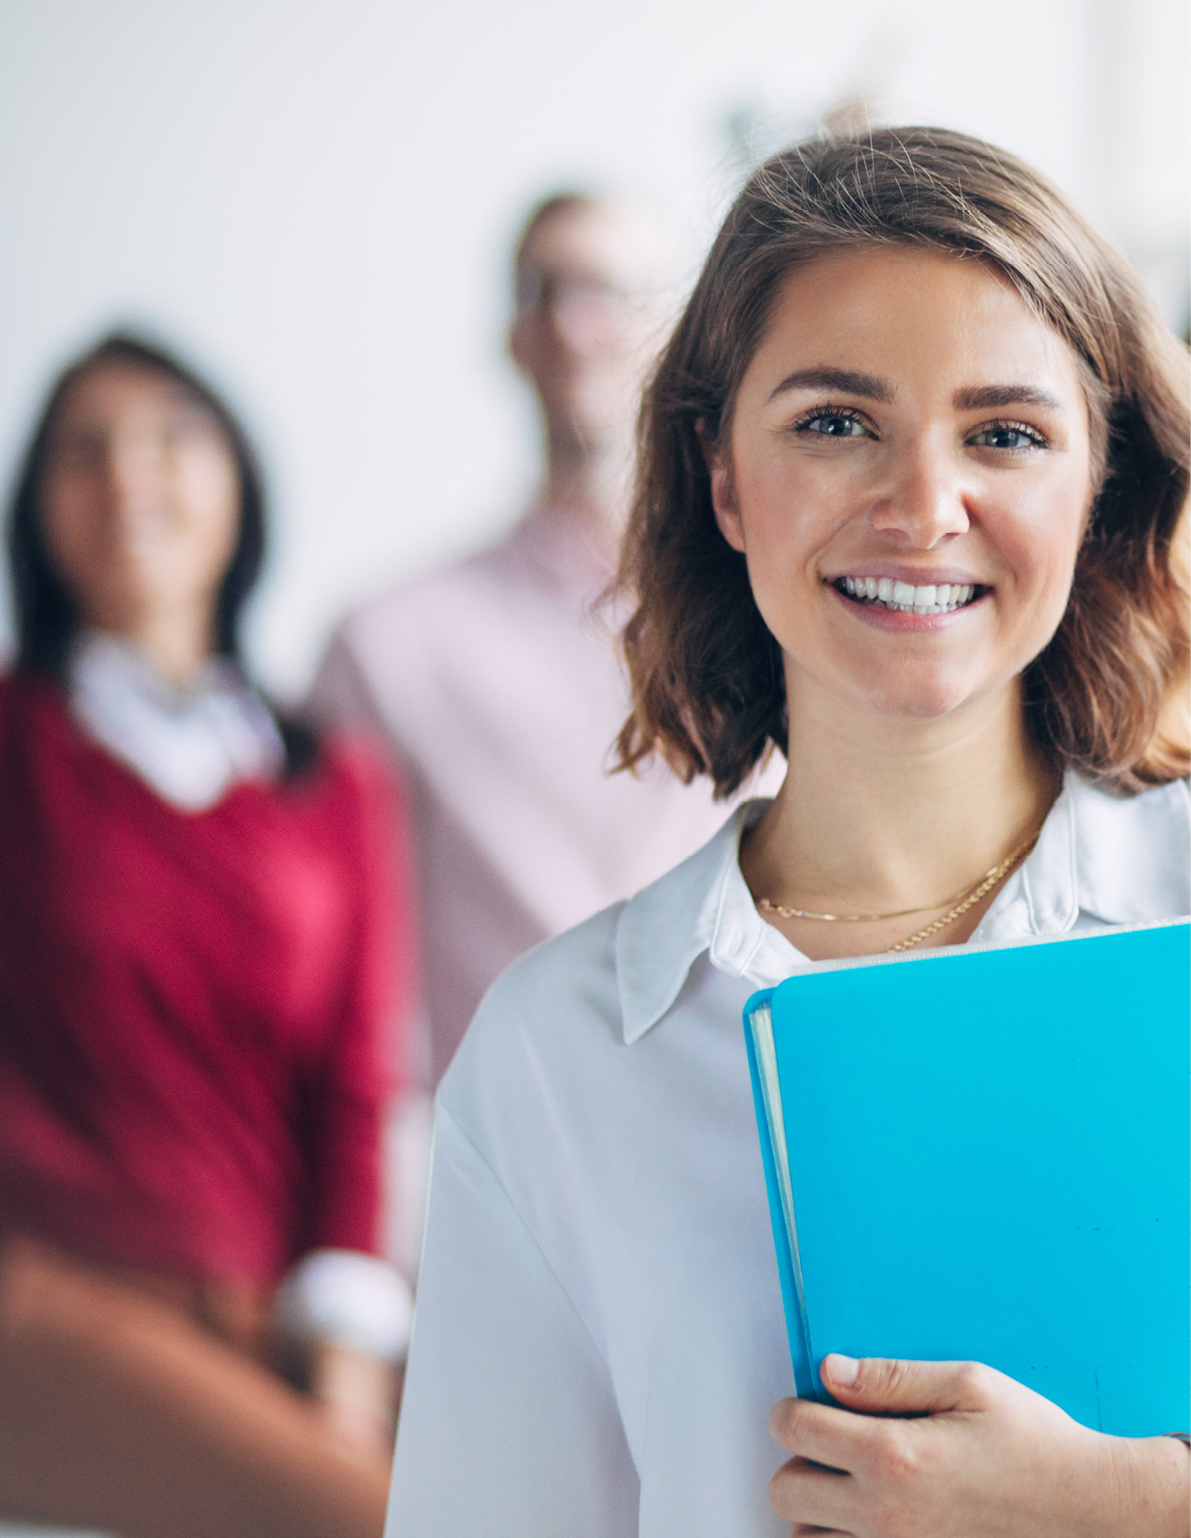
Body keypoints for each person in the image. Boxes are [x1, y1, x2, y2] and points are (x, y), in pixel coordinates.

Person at [385, 128, 1191, 1538]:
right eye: (833, 422)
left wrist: (1125, 1503)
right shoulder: (556, 1058)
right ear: (717, 475)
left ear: (1099, 480)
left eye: (1002, 433)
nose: (918, 508)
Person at [0, 334, 415, 1538]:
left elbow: (354, 1082)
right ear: (39, 510)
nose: (129, 475)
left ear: (238, 486)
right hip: (47, 1294)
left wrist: (345, 1345)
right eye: (84, 450)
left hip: (258, 1314)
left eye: (171, 436)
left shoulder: (332, 779)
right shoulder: (16, 748)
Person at [310, 191, 778, 1092]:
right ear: (512, 339)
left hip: (747, 1129)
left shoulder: (779, 616)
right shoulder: (386, 644)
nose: (573, 325)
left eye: (606, 291)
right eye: (543, 292)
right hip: (498, 1149)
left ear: (672, 336)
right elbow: (333, 969)